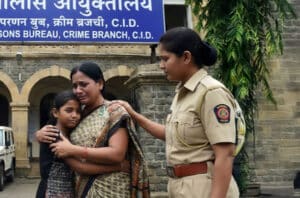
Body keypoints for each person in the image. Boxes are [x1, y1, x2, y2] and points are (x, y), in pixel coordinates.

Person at [113, 27, 240, 198]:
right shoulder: (183, 93)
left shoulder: (211, 92)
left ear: (186, 57)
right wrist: (133, 114)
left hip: (204, 187)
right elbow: (172, 134)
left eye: (166, 59)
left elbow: (225, 154)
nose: (161, 65)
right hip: (179, 185)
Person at [36, 62, 149, 198]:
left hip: (111, 188)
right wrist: (40, 134)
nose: (78, 90)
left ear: (100, 84)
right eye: (75, 86)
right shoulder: (78, 114)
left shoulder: (114, 111)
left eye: (83, 84)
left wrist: (73, 149)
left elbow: (117, 154)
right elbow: (57, 129)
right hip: (79, 189)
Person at [36, 90, 124, 198]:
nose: (75, 115)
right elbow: (80, 167)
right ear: (55, 113)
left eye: (78, 111)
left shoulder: (70, 133)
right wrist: (117, 167)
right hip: (52, 191)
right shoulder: (53, 135)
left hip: (65, 191)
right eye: (69, 110)